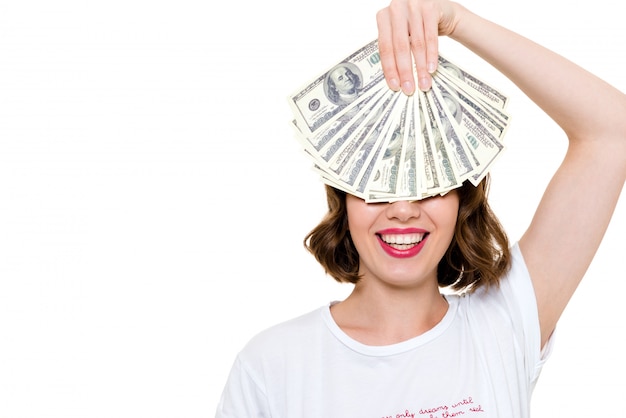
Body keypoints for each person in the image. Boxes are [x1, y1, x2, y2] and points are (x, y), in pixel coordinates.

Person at [215, 0, 626, 416]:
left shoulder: (505, 326)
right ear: (343, 196)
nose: (404, 209)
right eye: (379, 181)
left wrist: (460, 22)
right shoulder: (271, 366)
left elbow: (614, 130)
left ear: (461, 199)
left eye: (428, 183)